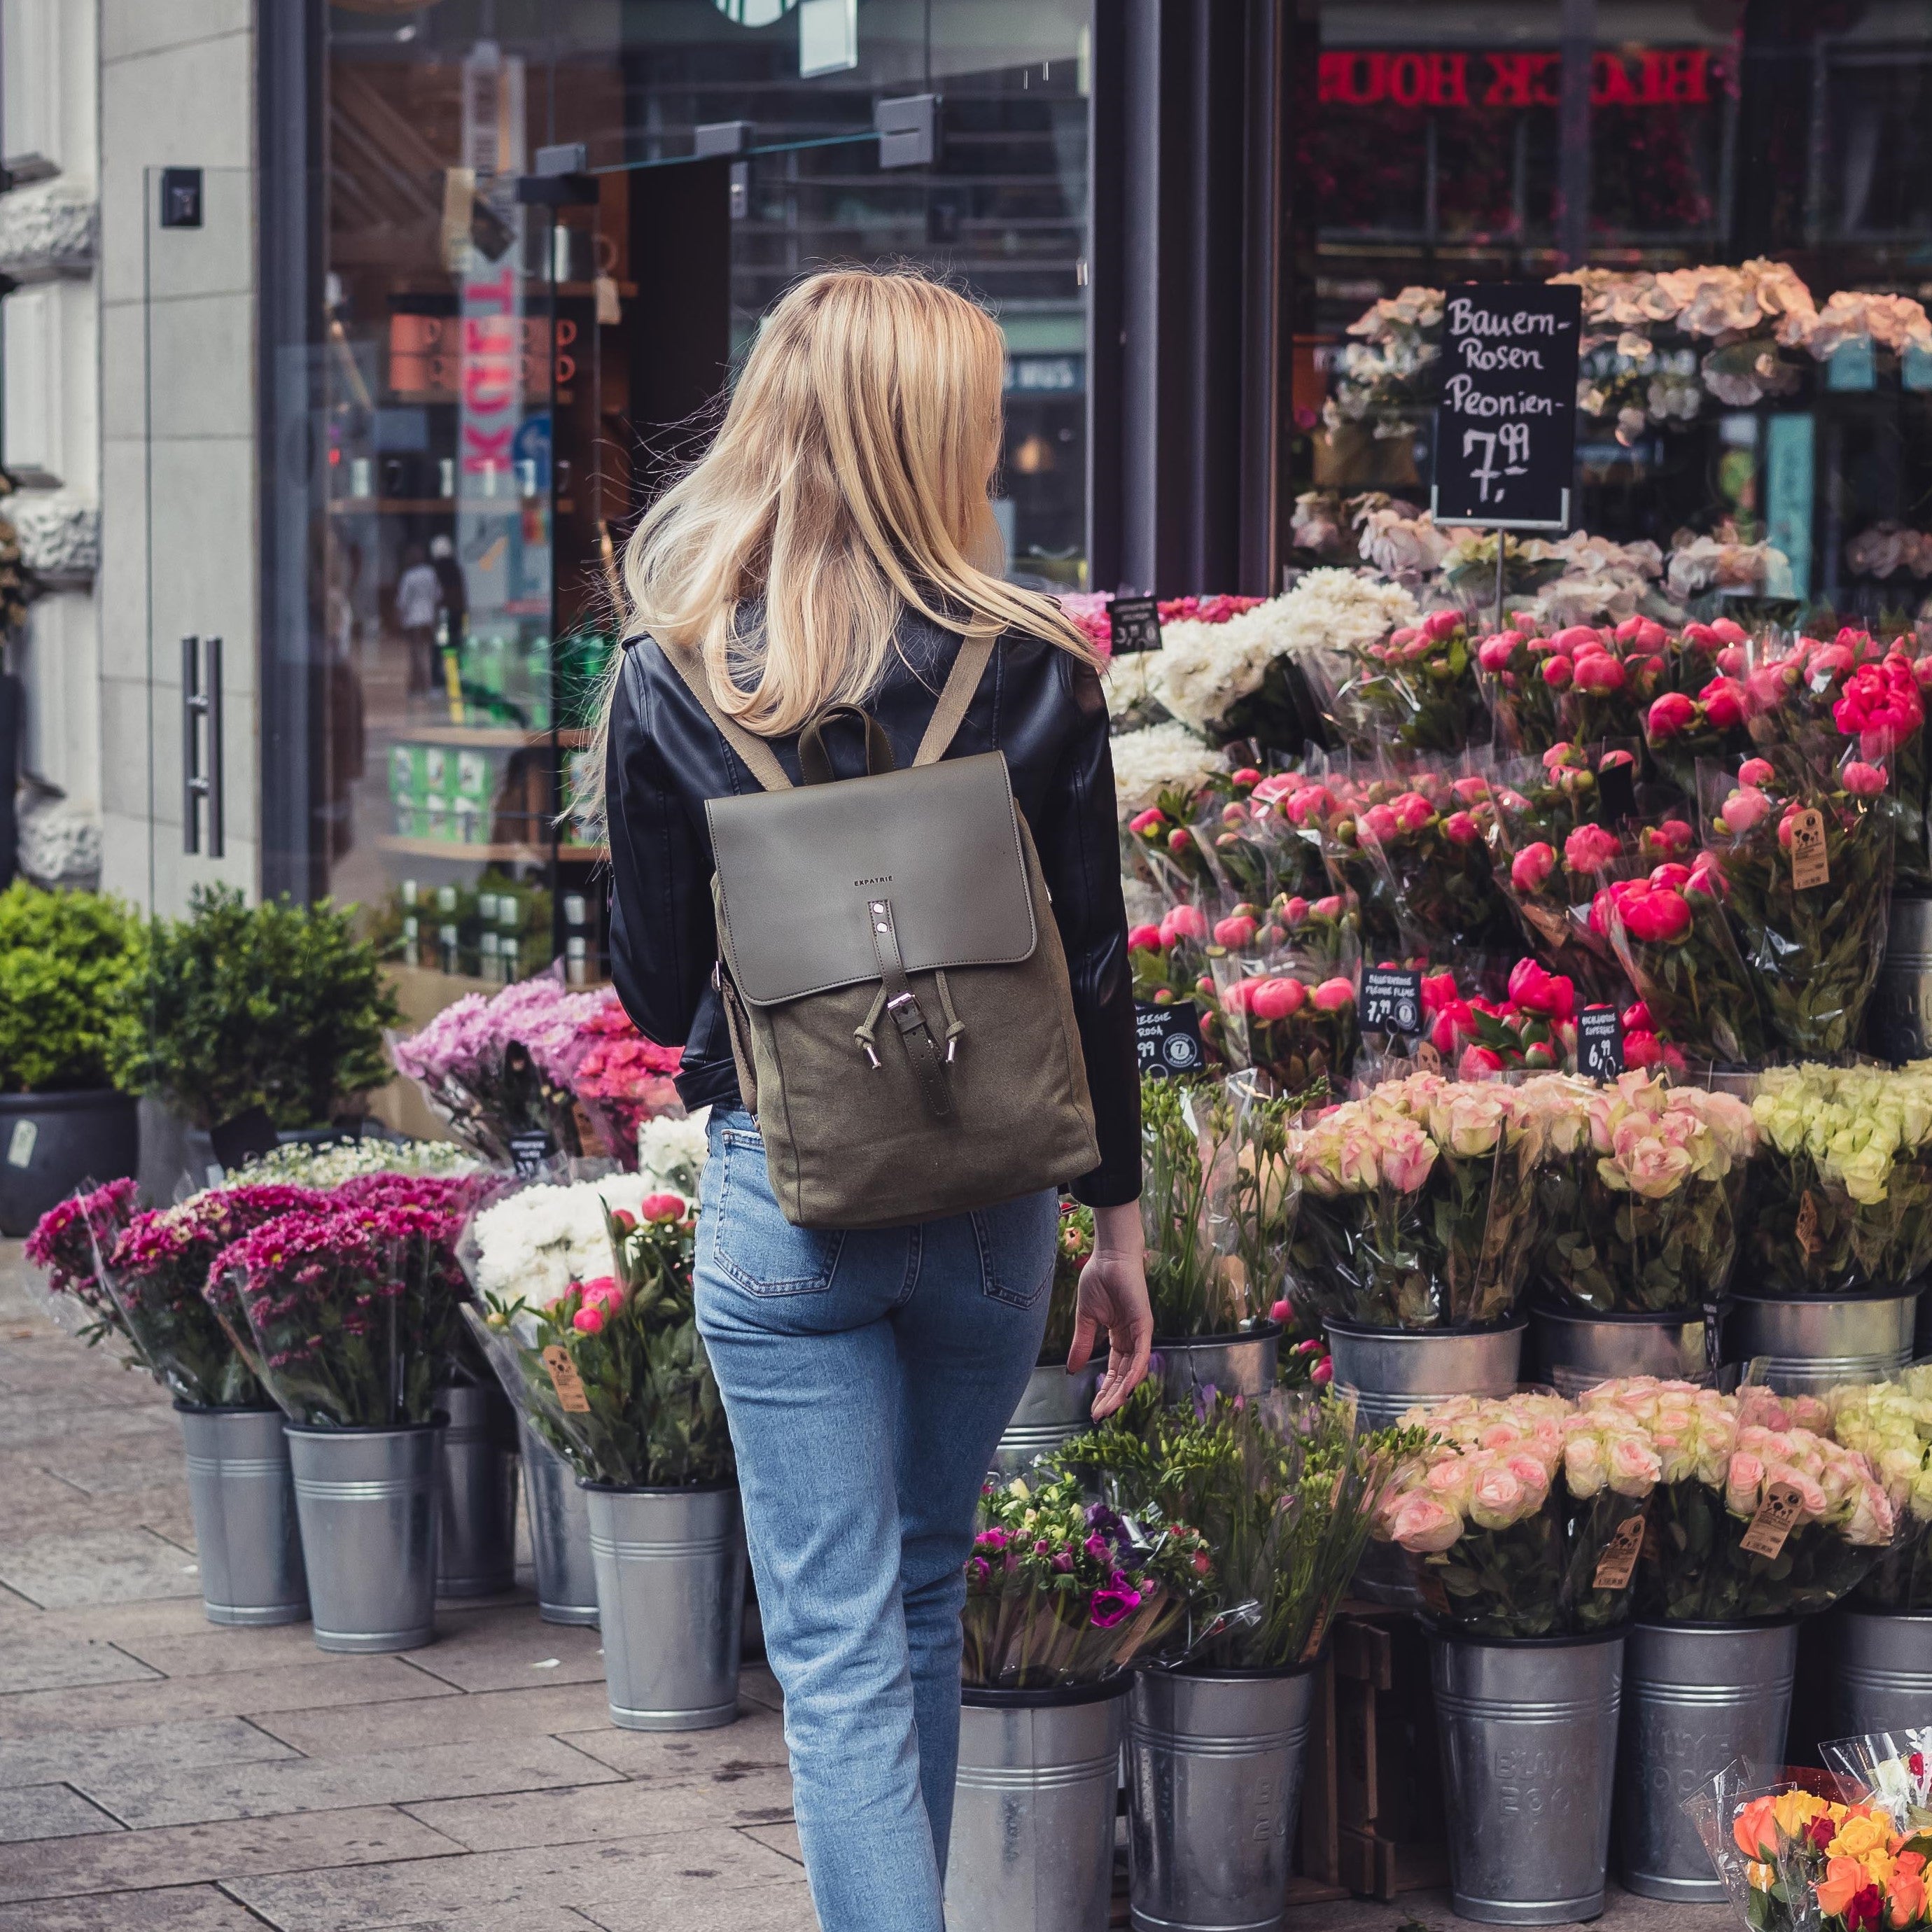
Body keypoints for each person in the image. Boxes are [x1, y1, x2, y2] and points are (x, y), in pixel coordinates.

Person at [598, 267, 1149, 1932]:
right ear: (938, 436)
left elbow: (645, 987)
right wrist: (1119, 1229)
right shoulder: (1042, 666)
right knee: (916, 1605)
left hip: (796, 1204)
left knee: (833, 1648)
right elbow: (1098, 978)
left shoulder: (673, 676)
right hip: (994, 1205)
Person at [394, 542, 440, 696]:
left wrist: (399, 622)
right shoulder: (430, 573)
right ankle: (427, 685)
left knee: (415, 655)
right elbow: (437, 596)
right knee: (427, 654)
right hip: (428, 618)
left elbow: (402, 602)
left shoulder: (409, 576)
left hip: (413, 620)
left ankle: (417, 686)